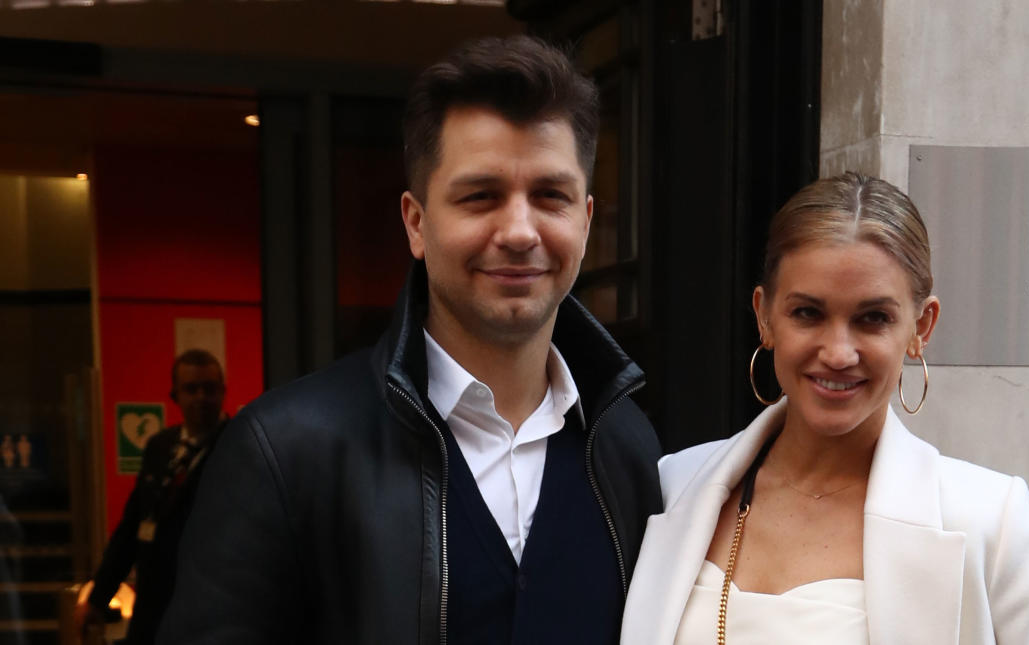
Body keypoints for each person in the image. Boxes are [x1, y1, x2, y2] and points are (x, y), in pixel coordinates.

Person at [158, 35, 662, 645]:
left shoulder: (627, 447)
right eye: (481, 196)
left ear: (584, 221)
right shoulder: (285, 451)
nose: (520, 231)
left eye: (549, 196)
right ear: (416, 223)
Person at [620, 173, 1029, 644]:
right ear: (765, 317)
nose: (838, 353)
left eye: (873, 319)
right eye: (808, 313)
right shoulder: (673, 485)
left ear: (921, 327)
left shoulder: (986, 518)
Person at [77, 349, 227, 645]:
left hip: (209, 614)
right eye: (191, 389)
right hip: (153, 611)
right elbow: (132, 527)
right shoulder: (160, 446)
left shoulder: (239, 448)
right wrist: (97, 598)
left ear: (223, 392)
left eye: (209, 389)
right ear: (175, 395)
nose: (200, 398)